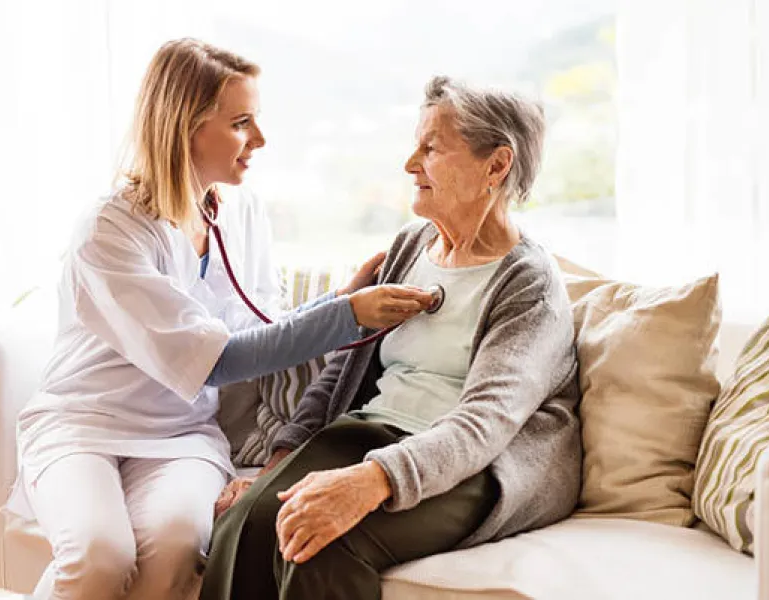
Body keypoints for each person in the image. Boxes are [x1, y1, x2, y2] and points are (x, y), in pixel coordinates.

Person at [9, 39, 436, 600]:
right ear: (184, 127)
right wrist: (347, 314)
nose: (259, 139)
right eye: (240, 123)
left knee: (177, 546)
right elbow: (218, 360)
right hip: (83, 426)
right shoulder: (109, 231)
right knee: (99, 555)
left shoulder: (241, 211)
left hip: (180, 434)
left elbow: (255, 329)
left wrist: (340, 298)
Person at [201, 76, 583, 600]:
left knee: (318, 542)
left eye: (431, 149)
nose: (410, 164)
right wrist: (275, 469)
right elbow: (344, 371)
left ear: (496, 165)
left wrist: (370, 480)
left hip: (476, 466)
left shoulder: (528, 284)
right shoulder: (410, 246)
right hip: (374, 432)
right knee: (245, 520)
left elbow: (485, 422)